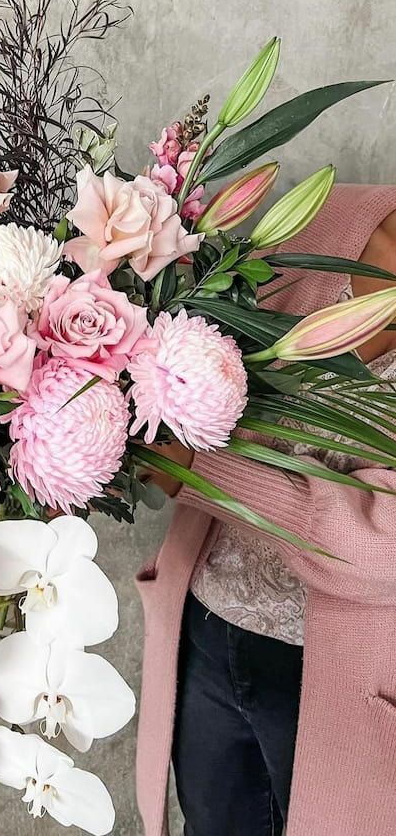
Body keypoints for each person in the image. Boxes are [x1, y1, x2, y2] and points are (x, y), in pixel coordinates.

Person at [134, 184, 396, 836]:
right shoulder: (327, 216)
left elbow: (379, 546)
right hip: (207, 620)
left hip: (340, 675)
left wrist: (199, 469)